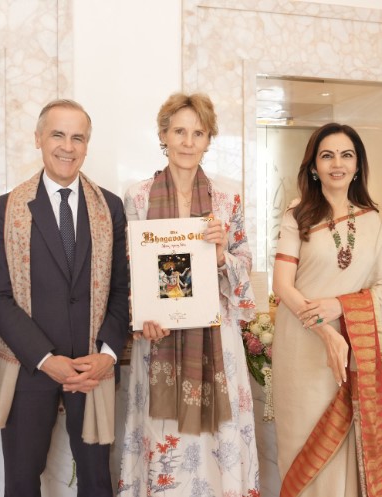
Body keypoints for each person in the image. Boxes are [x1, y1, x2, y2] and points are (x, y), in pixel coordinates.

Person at [0, 99, 129, 497]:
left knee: (97, 483)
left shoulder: (110, 207)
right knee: (21, 483)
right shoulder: (7, 208)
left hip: (92, 370)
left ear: (87, 144)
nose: (67, 146)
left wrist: (107, 355)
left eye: (78, 137)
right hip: (29, 369)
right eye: (57, 135)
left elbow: (121, 290)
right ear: (38, 139)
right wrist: (46, 360)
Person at [117, 93, 260, 496]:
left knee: (219, 437)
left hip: (217, 336)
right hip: (157, 335)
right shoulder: (138, 196)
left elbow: (244, 264)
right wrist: (140, 314)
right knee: (161, 433)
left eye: (198, 133)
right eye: (179, 131)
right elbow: (128, 269)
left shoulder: (227, 198)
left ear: (209, 139)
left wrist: (221, 254)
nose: (188, 141)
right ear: (163, 135)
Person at [271, 123, 382, 497]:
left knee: (351, 449)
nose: (337, 164)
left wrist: (341, 307)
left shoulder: (371, 219)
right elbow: (283, 285)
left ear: (358, 165)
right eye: (327, 156)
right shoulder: (297, 215)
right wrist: (325, 330)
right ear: (314, 166)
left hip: (356, 353)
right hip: (303, 348)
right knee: (305, 445)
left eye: (347, 155)